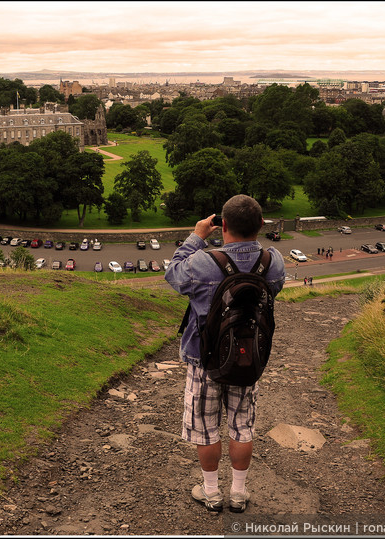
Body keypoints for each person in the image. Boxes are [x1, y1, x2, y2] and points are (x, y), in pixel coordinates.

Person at [165, 195, 286, 513]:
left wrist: (197, 236)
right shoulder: (273, 262)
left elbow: (173, 275)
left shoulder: (204, 262)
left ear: (224, 225)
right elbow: (273, 291)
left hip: (203, 359)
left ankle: (211, 493)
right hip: (249, 359)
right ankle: (238, 494)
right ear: (261, 224)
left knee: (205, 428)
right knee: (242, 426)